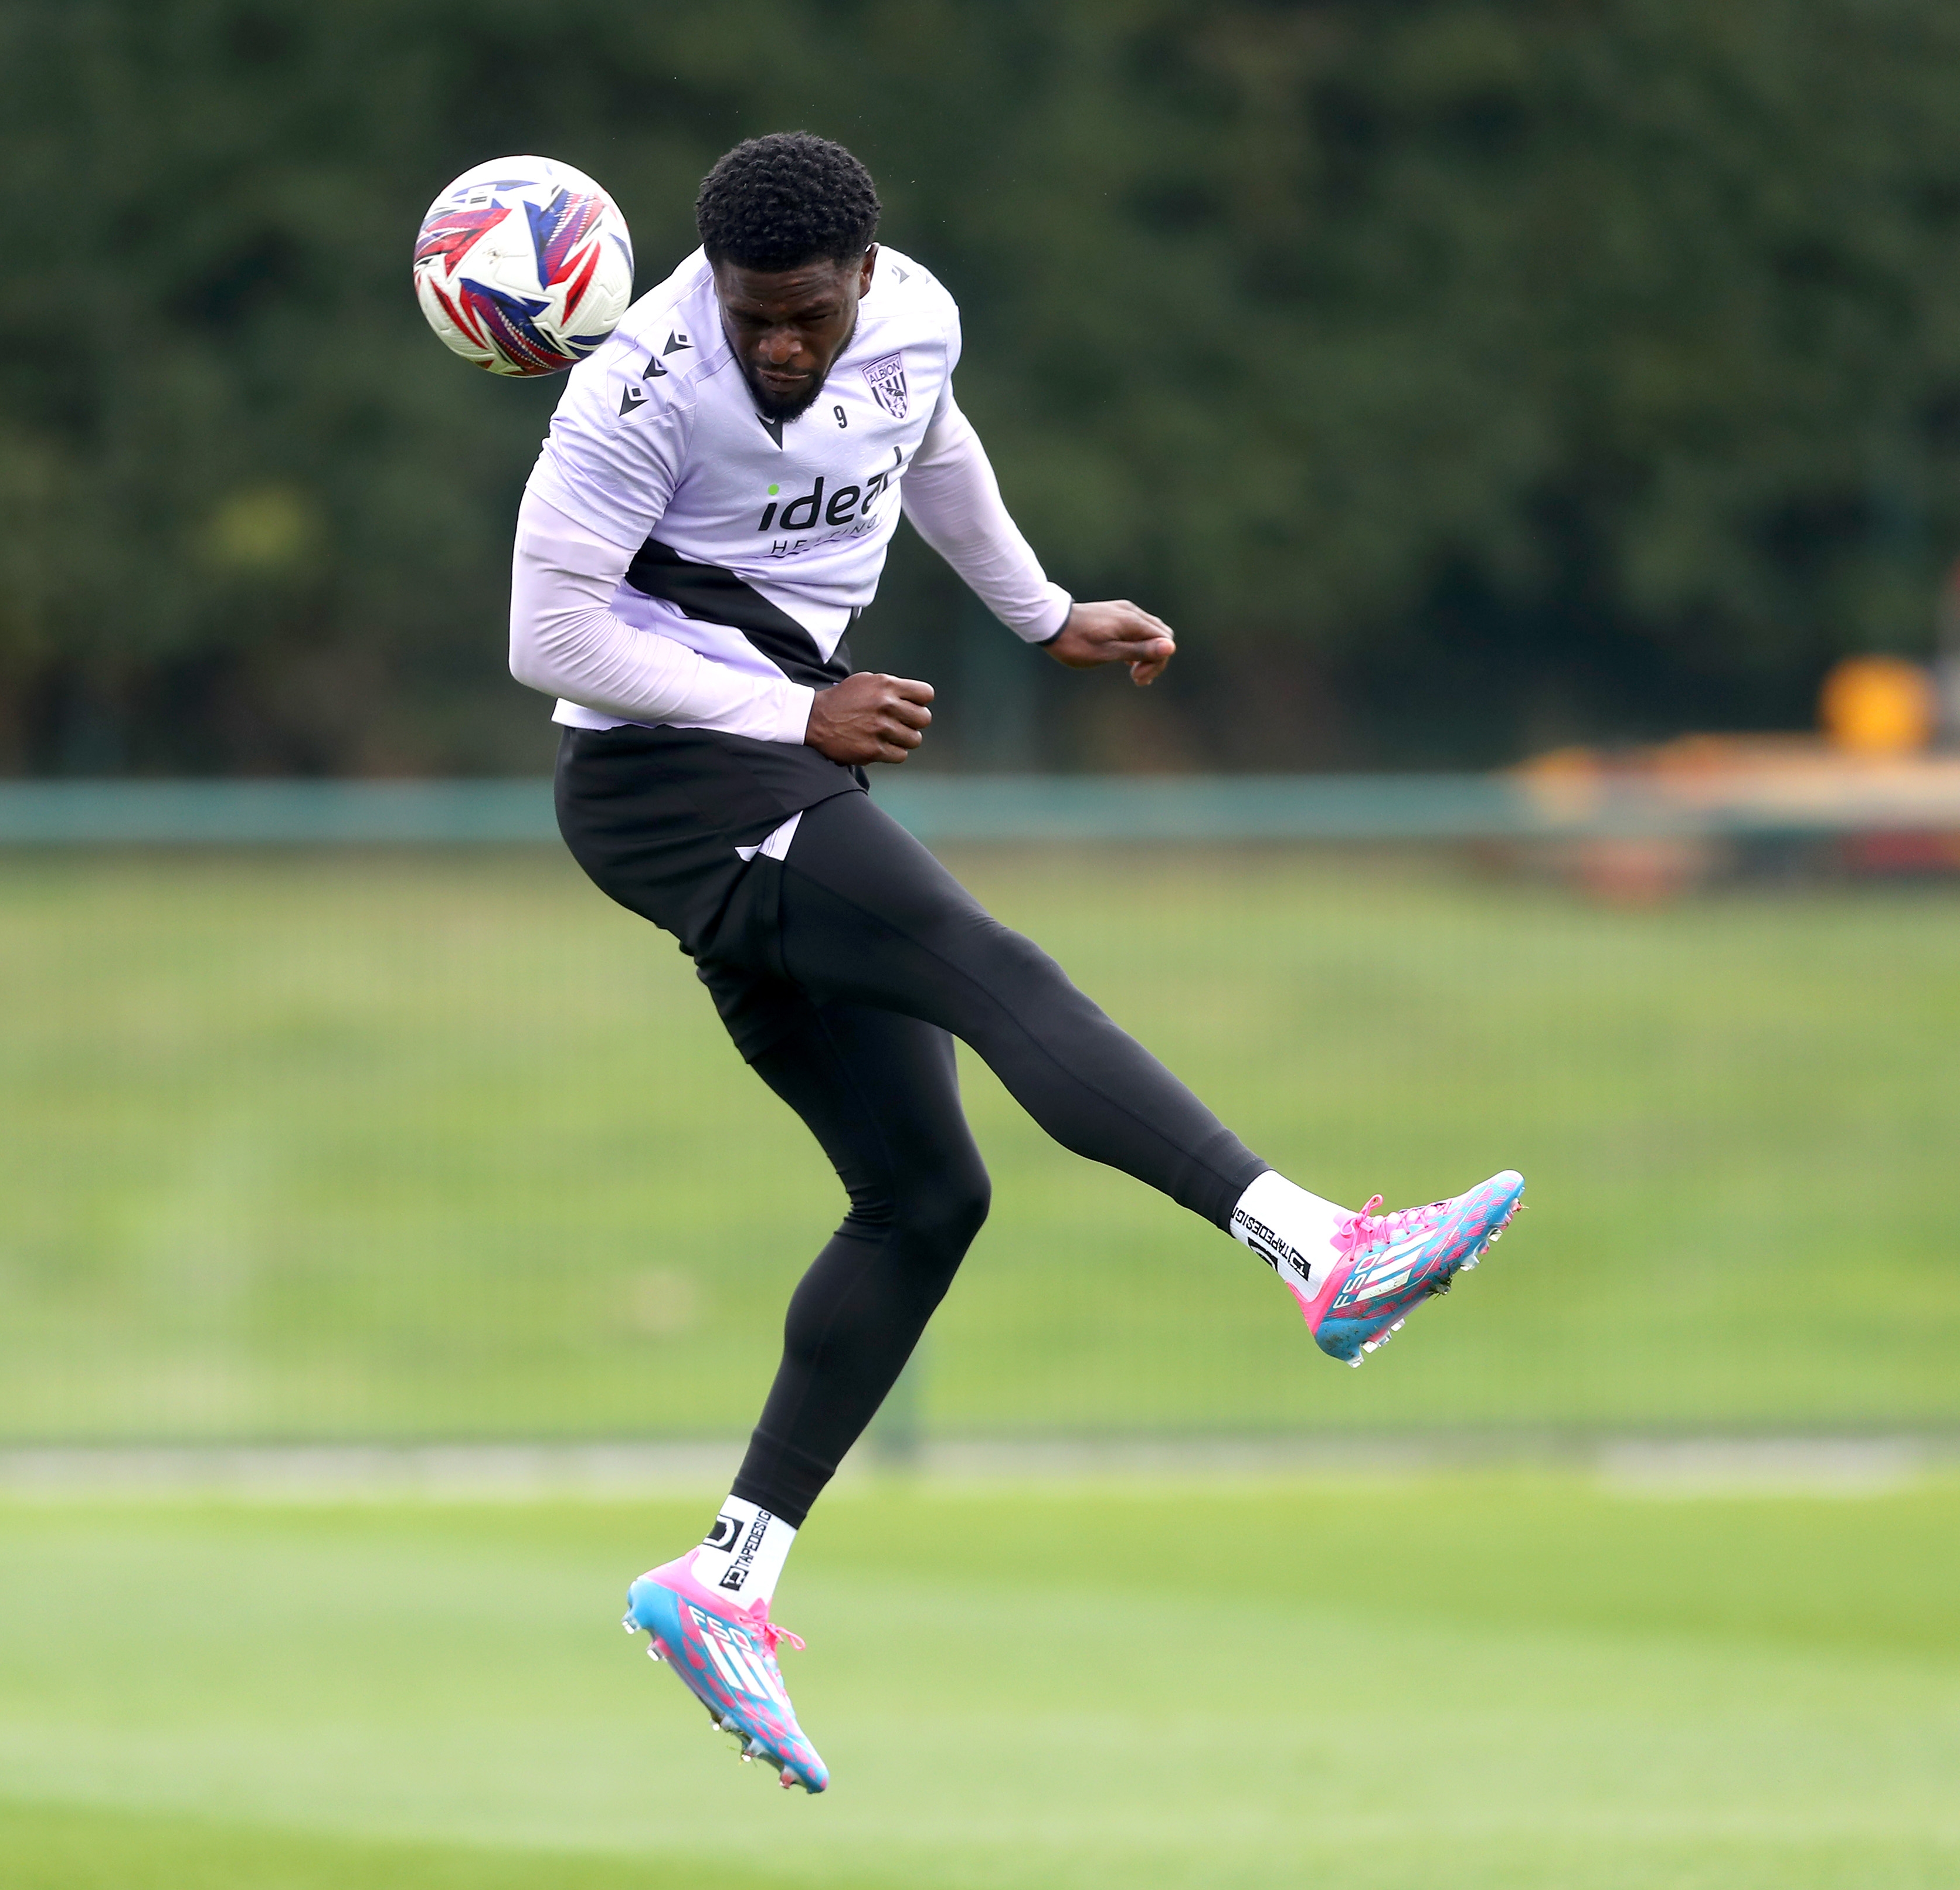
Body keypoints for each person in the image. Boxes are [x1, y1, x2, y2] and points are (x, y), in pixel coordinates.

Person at [507, 131, 1523, 1794]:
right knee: (991, 967)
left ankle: (723, 1579)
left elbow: (931, 447)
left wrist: (1042, 614)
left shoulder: (912, 324)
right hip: (664, 786)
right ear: (711, 290)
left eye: (806, 316)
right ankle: (1318, 1251)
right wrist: (793, 711)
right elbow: (543, 636)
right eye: (753, 316)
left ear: (861, 276)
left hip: (772, 771)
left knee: (924, 1198)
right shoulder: (631, 388)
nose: (781, 345)